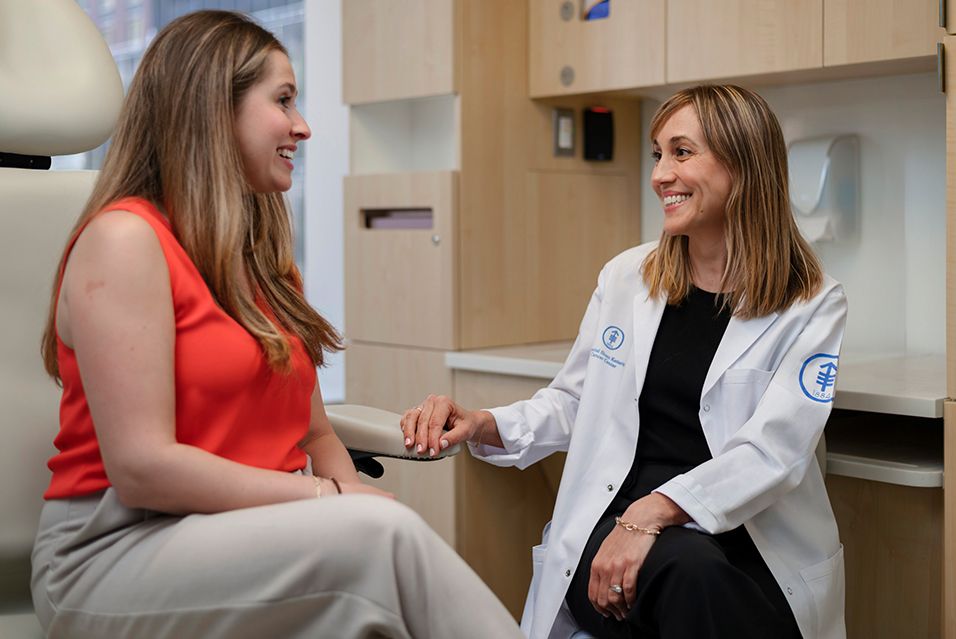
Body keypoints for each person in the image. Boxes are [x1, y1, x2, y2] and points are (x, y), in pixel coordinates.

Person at [30, 10, 522, 639]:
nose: (302, 126)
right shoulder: (125, 241)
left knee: (380, 542)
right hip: (113, 549)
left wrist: (349, 498)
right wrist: (333, 505)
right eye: (284, 100)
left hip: (242, 535)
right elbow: (142, 468)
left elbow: (315, 434)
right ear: (213, 109)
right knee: (385, 541)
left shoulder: (262, 263)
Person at [403, 85, 847, 639]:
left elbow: (775, 450)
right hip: (613, 531)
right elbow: (573, 402)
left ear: (745, 165)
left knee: (706, 580)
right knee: (690, 574)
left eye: (681, 153)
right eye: (657, 154)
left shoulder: (811, 300)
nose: (660, 174)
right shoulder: (627, 278)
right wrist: (485, 423)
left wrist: (653, 515)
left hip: (745, 540)